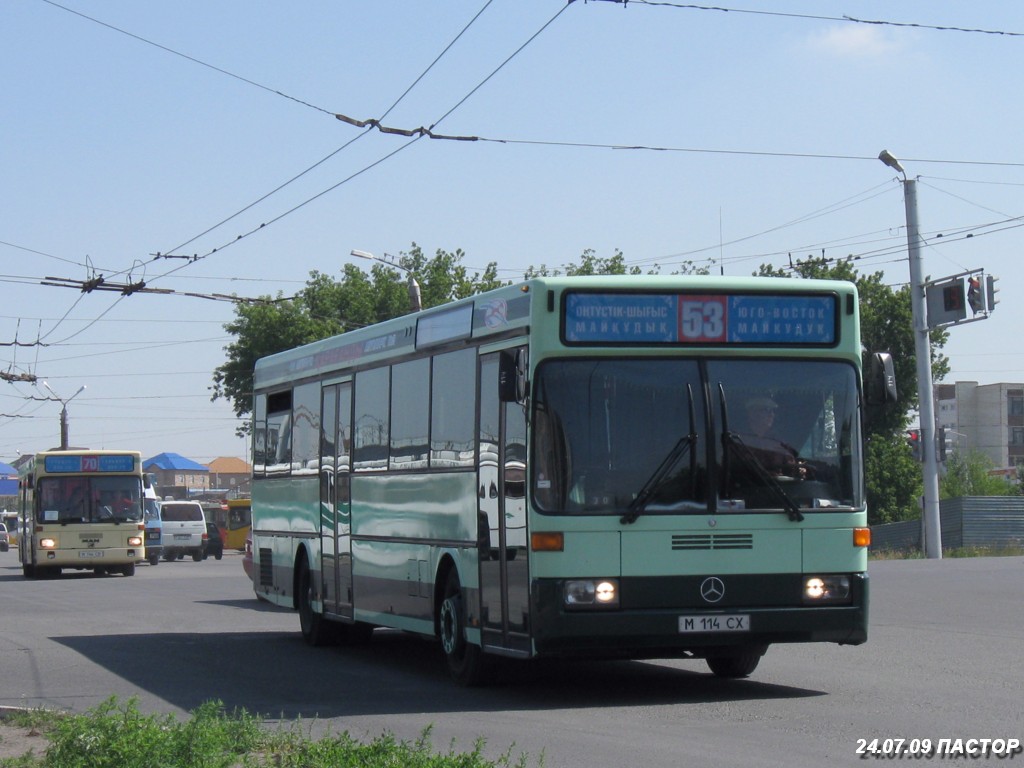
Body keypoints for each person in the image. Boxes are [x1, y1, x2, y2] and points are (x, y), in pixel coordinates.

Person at [737, 396, 803, 479]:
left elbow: (791, 470)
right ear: (752, 413)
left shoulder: (779, 442)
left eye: (772, 411)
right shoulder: (738, 440)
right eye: (767, 410)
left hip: (777, 490)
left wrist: (800, 470)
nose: (771, 415)